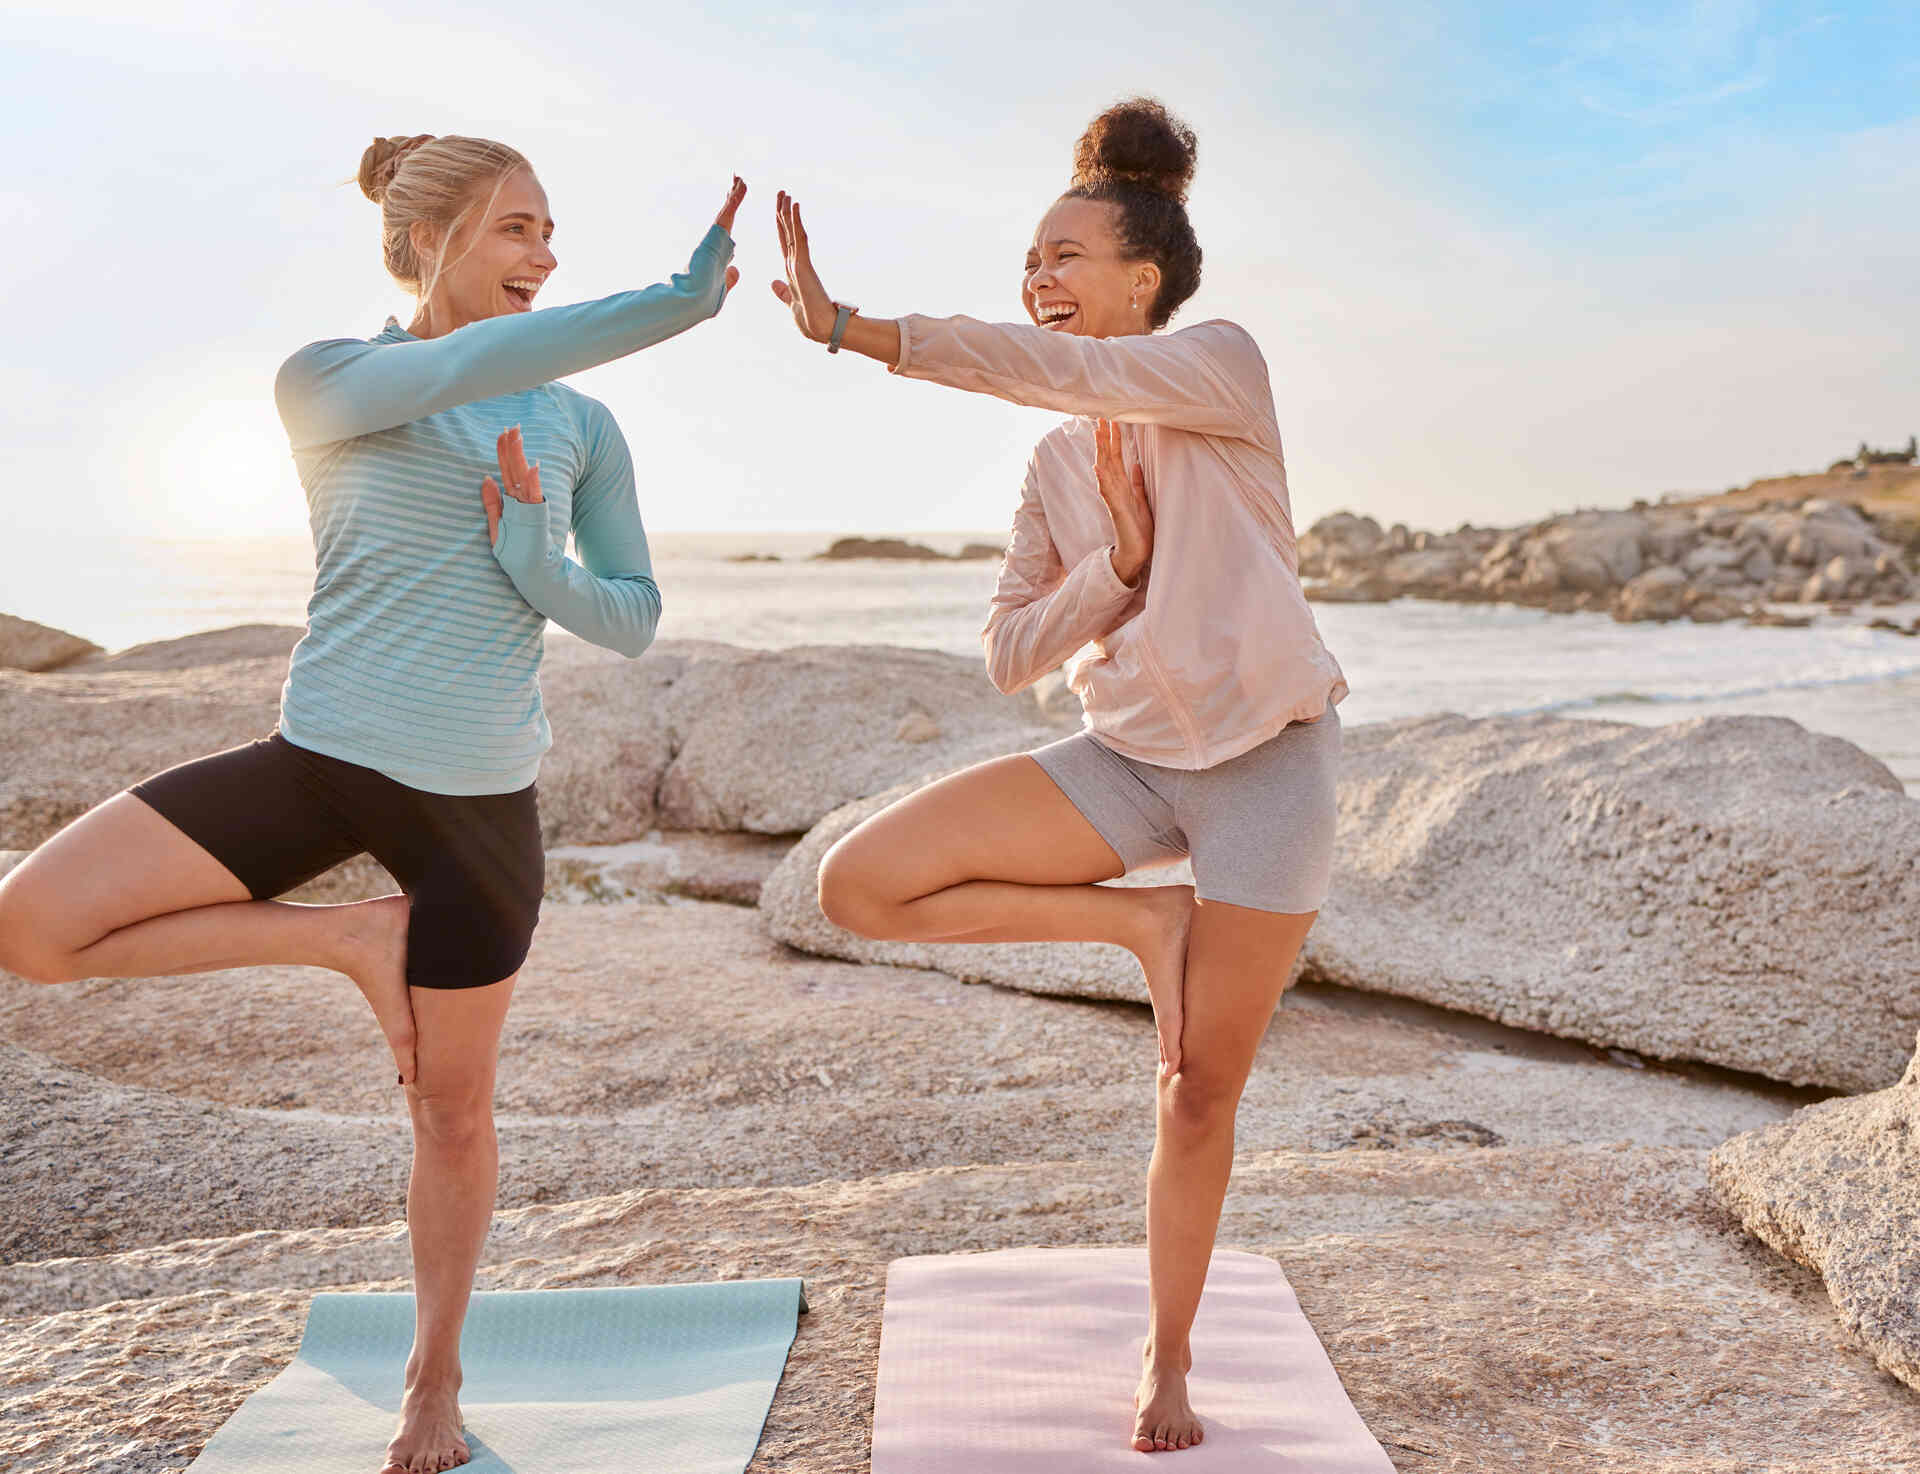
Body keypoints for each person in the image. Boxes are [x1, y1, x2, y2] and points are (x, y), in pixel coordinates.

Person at [0, 133, 745, 1474]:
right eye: (518, 228)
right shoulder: (331, 379)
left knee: (452, 1114)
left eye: (551, 230)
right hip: (325, 759)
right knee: (33, 925)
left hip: (475, 810)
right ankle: (346, 936)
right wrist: (670, 306)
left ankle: (432, 1380)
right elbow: (456, 370)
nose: (545, 255)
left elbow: (629, 620)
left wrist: (530, 549)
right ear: (438, 237)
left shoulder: (580, 423)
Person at [769, 98, 1347, 1454]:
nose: (1040, 279)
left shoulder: (1217, 369)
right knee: (857, 884)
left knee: (1198, 1089)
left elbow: (1057, 371)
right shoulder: (1052, 461)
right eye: (1030, 260)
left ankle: (1170, 1358)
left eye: (1067, 256)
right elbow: (1008, 654)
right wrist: (1118, 570)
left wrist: (861, 328)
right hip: (1127, 766)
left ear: (1144, 278)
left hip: (1269, 767)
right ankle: (1141, 918)